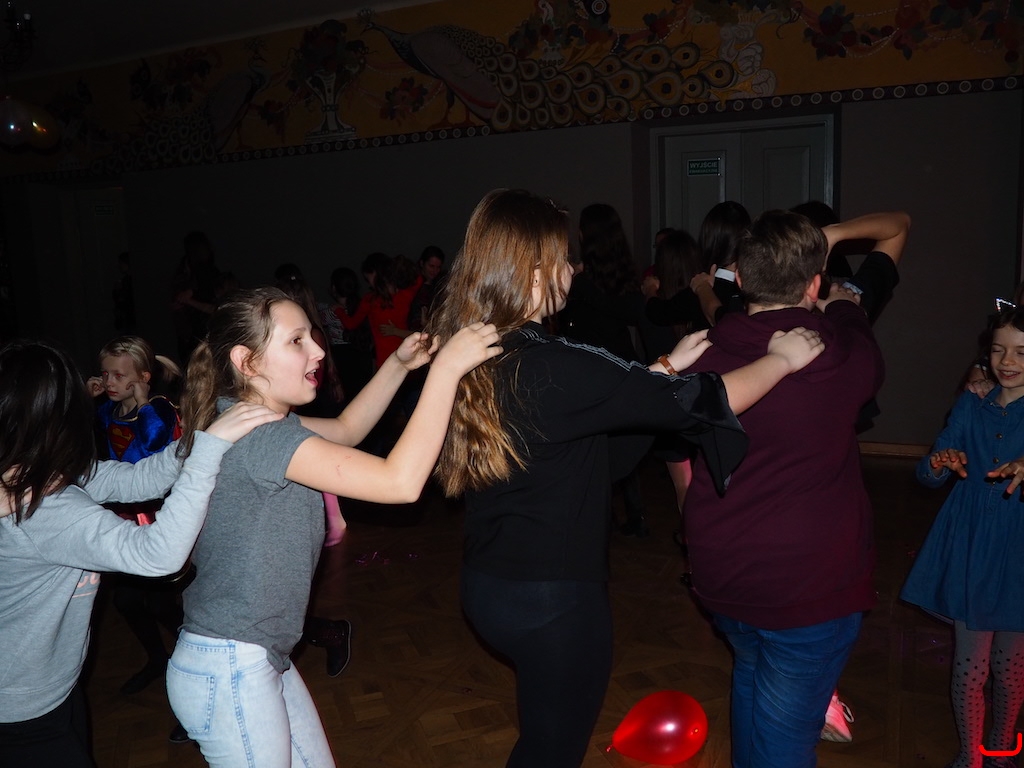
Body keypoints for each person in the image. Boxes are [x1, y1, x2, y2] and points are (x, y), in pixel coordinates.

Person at [426, 188, 825, 768]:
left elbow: (590, 428)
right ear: (533, 273)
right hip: (553, 603)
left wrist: (663, 367)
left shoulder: (477, 350)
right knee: (551, 752)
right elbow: (706, 401)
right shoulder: (558, 364)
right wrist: (781, 360)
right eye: (563, 258)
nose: (573, 268)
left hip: (488, 586)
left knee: (540, 740)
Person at [167, 286, 500, 767]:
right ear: (247, 361)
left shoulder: (253, 420)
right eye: (296, 340)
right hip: (229, 665)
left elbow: (346, 430)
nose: (319, 350)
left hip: (255, 656)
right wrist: (446, 371)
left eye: (311, 336)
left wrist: (399, 365)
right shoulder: (263, 439)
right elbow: (400, 482)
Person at [681, 208, 910, 768]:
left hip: (722, 571)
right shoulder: (843, 351)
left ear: (740, 277)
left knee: (751, 674)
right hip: (807, 583)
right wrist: (836, 276)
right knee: (783, 739)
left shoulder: (702, 353)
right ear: (813, 283)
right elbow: (899, 226)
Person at [0, 340, 280, 768]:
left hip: (50, 690)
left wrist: (199, 440)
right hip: (21, 710)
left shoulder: (40, 471)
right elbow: (158, 555)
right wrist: (207, 451)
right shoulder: (43, 509)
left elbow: (134, 479)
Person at [901, 307, 1024, 768]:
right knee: (971, 666)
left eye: (1021, 352)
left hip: (1017, 550)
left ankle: (1000, 750)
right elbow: (930, 467)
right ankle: (969, 756)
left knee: (1011, 667)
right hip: (971, 542)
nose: (1007, 361)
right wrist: (939, 463)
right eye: (998, 350)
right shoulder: (972, 403)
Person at [87, 335, 192, 741]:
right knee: (128, 601)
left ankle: (194, 674)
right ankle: (158, 659)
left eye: (119, 375)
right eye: (105, 374)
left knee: (164, 606)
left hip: (159, 518)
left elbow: (150, 448)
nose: (109, 382)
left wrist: (145, 403)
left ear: (144, 378)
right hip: (127, 519)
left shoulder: (159, 409)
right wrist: (85, 398)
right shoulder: (108, 409)